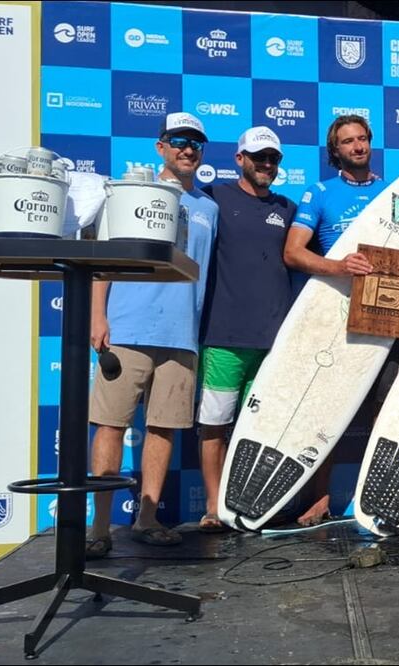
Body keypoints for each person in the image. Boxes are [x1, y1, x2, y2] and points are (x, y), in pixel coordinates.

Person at [283, 114, 399, 526]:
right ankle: (321, 497)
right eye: (348, 142)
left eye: (362, 139)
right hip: (335, 318)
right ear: (336, 151)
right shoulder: (320, 193)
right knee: (328, 409)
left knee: (389, 413)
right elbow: (293, 253)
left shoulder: (393, 192)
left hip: (386, 319)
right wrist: (339, 266)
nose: (357, 147)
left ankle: (386, 498)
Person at [86, 112, 219, 557]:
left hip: (181, 336)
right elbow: (103, 258)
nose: (188, 149)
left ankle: (146, 518)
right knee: (110, 426)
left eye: (196, 143)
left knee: (163, 429)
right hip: (125, 328)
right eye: (179, 140)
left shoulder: (209, 207)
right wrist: (97, 316)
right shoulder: (128, 194)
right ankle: (99, 529)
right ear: (160, 146)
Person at [195, 126, 296, 533]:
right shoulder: (213, 199)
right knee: (214, 426)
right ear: (240, 159)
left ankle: (253, 505)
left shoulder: (288, 208)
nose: (266, 165)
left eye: (272, 158)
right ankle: (213, 507)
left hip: (274, 342)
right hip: (224, 337)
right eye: (258, 158)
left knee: (260, 431)